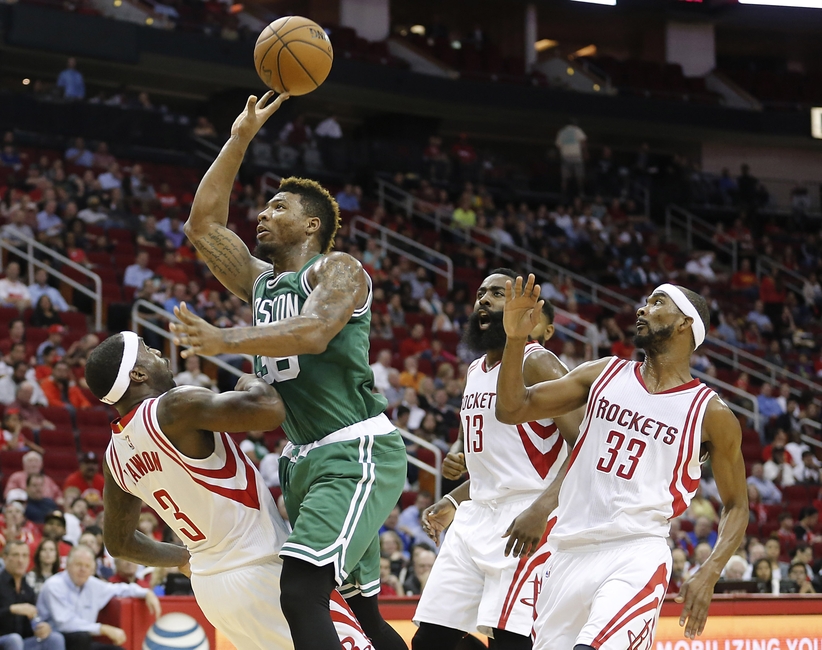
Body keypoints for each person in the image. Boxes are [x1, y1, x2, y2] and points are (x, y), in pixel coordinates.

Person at [175, 91, 407, 650]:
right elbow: (203, 225)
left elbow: (313, 332)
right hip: (303, 460)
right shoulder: (260, 284)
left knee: (301, 591)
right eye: (266, 205)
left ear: (311, 227)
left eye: (280, 207)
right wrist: (239, 139)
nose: (264, 213)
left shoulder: (340, 269)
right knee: (363, 614)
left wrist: (223, 339)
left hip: (354, 452)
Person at [496, 277, 748, 647]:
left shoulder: (710, 413)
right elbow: (512, 408)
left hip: (635, 554)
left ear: (685, 324)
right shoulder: (603, 373)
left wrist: (710, 569)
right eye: (645, 301)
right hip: (566, 552)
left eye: (657, 302)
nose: (642, 309)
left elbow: (737, 505)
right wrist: (515, 341)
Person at [85, 332, 372, 650]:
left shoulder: (114, 456)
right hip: (260, 568)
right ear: (137, 374)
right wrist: (249, 380)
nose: (158, 352)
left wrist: (184, 558)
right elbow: (268, 409)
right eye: (148, 350)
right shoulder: (175, 406)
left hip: (212, 590)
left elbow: (119, 543)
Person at [412, 270, 583, 650]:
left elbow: (585, 445)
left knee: (511, 642)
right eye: (480, 294)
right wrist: (455, 494)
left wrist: (541, 510)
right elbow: (493, 459)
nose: (484, 300)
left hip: (527, 514)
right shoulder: (474, 370)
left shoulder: (538, 362)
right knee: (430, 641)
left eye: (497, 293)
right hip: (475, 517)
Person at [37, 545, 159, 650]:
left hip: (83, 641)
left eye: (87, 566)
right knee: (81, 637)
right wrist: (103, 629)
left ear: (92, 569)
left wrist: (146, 593)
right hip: (51, 639)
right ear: (68, 565)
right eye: (78, 564)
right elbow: (65, 623)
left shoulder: (93, 584)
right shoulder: (54, 585)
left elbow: (118, 589)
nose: (82, 570)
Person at [0, 541, 65, 650]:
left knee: (55, 638)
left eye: (24, 556)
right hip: (4, 640)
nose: (20, 560)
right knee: (14, 639)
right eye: (16, 555)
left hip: (22, 642)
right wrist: (12, 609)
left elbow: (32, 623)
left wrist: (42, 628)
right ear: (5, 557)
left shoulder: (28, 589)